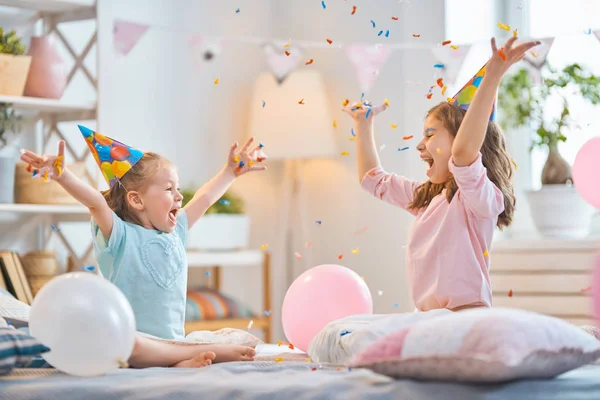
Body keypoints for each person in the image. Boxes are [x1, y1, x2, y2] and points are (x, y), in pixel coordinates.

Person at [20, 126, 267, 362]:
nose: (179, 196)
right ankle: (190, 356)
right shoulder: (120, 235)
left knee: (239, 338)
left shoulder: (176, 231)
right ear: (137, 200)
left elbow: (204, 197)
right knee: (133, 346)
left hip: (172, 343)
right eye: (169, 188)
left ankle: (177, 359)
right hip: (131, 342)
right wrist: (62, 175)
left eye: (178, 188)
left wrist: (230, 172)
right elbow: (96, 202)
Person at [344, 36, 540, 312]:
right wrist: (364, 126)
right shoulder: (427, 198)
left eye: (430, 134)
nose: (420, 145)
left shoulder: (480, 200)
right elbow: (372, 179)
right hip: (428, 319)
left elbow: (462, 154)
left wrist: (494, 74)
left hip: (467, 318)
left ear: (464, 138)